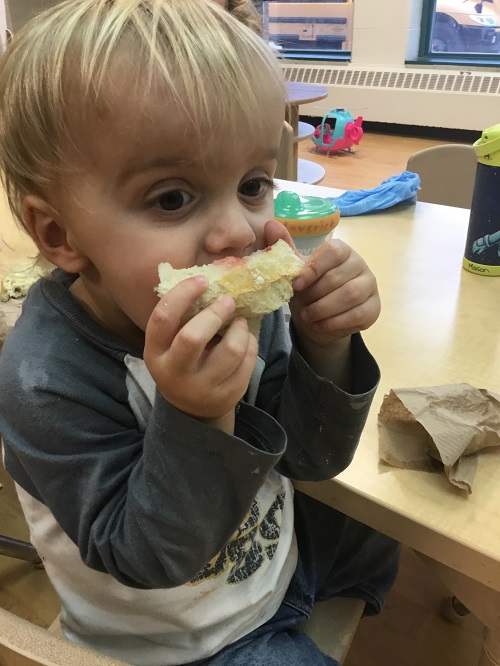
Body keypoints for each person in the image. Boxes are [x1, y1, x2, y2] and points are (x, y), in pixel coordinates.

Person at [0, 1, 399, 665]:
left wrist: (324, 345)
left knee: (381, 535)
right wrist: (197, 412)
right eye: (172, 198)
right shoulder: (43, 377)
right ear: (60, 235)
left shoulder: (243, 310)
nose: (239, 234)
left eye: (251, 184)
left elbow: (309, 457)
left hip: (275, 560)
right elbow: (150, 556)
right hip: (178, 642)